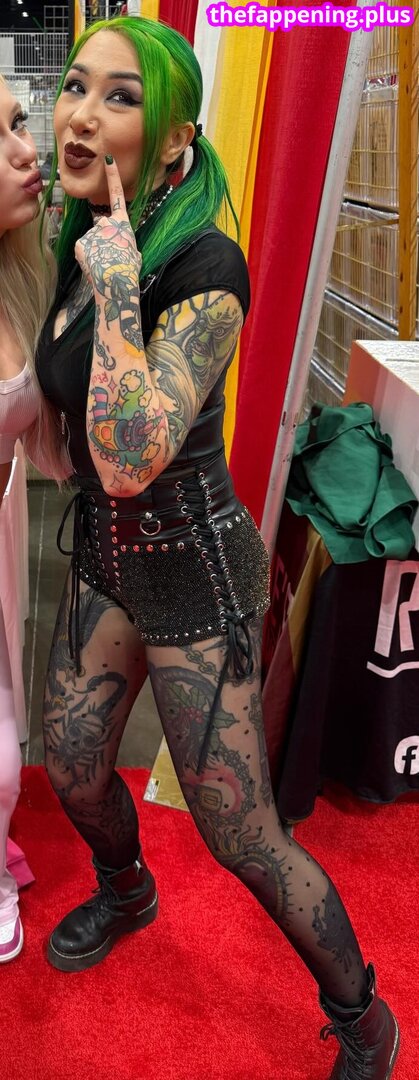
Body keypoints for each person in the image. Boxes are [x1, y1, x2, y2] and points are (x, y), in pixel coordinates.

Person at [36, 16, 398, 1077]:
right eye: (76, 86)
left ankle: (363, 1013)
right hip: (107, 560)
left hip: (194, 574)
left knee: (239, 832)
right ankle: (126, 891)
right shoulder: (81, 232)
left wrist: (115, 278)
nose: (81, 114)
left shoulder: (203, 264)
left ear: (175, 139)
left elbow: (132, 455)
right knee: (74, 768)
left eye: (120, 97)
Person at [0, 74, 66, 962]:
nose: (30, 150)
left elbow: (57, 447)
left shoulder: (23, 275)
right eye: (1, 136)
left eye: (20, 122)